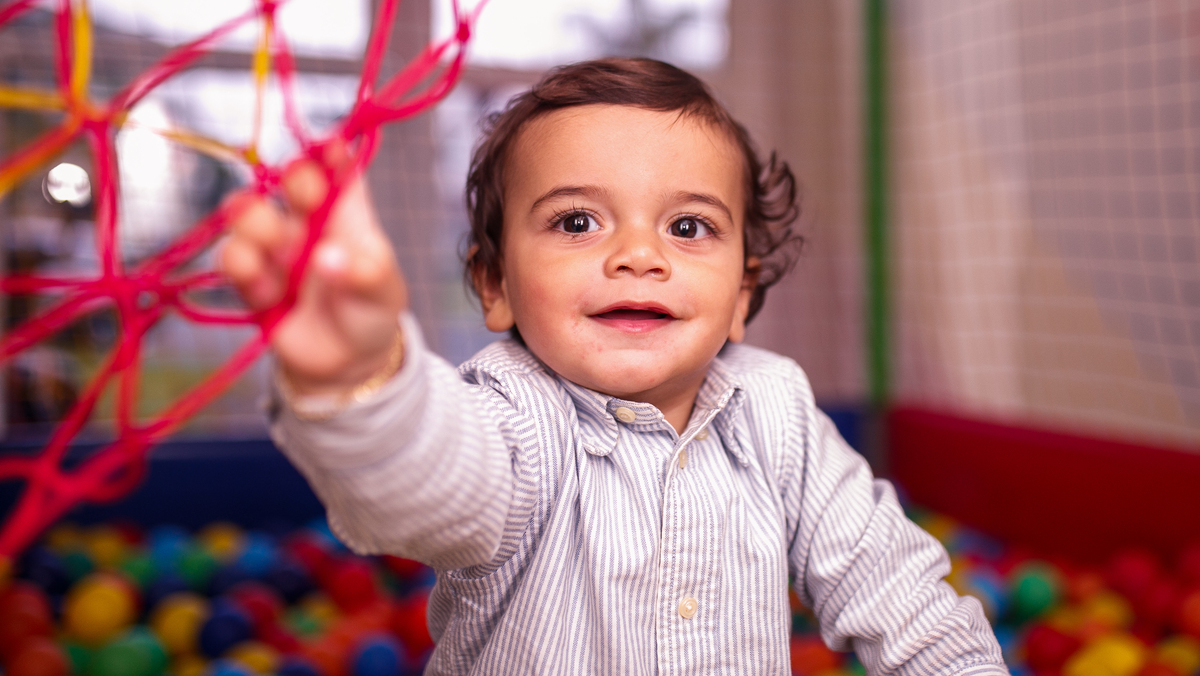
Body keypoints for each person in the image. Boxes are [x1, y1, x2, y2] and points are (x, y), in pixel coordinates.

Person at [221, 58, 1007, 675]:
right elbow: (427, 483)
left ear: (741, 293)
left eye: (688, 226)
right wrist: (362, 377)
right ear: (495, 285)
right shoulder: (516, 417)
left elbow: (903, 597)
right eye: (577, 221)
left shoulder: (777, 412)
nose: (638, 254)